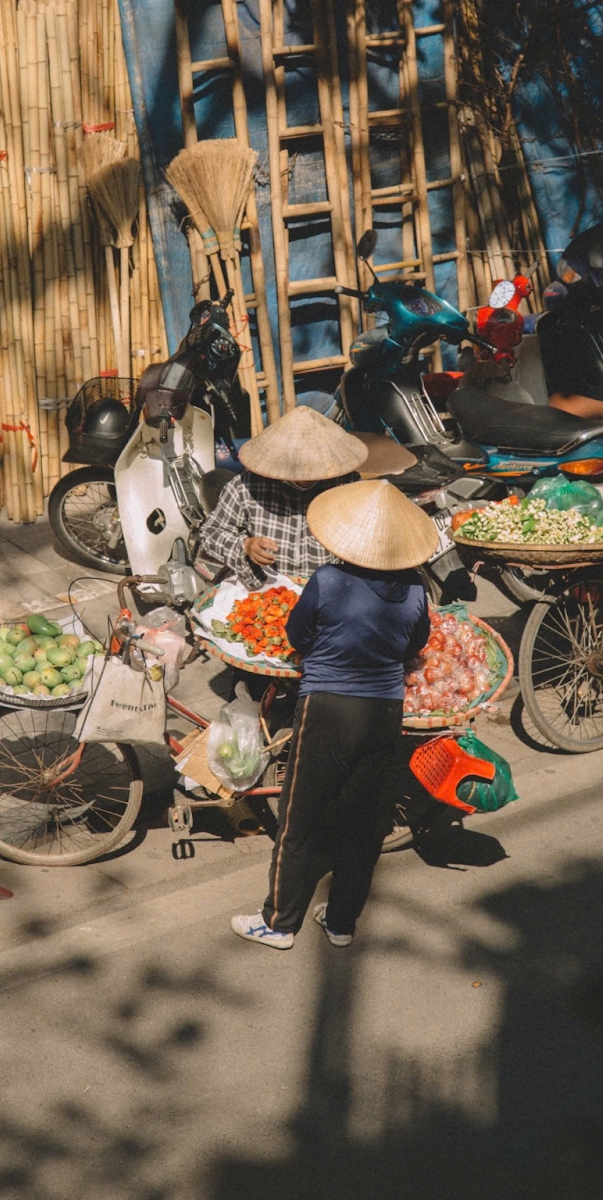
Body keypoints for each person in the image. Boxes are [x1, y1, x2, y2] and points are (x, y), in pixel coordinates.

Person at [230, 479, 438, 951]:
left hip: (327, 709)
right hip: (384, 712)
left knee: (298, 820)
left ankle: (280, 923)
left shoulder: (328, 580)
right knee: (363, 825)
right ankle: (342, 921)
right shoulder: (414, 591)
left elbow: (299, 636)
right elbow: (415, 644)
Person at [198, 406, 368, 589]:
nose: (308, 474)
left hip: (330, 590)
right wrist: (245, 546)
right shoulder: (247, 485)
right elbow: (210, 532)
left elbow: (370, 540)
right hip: (266, 590)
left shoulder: (348, 484)